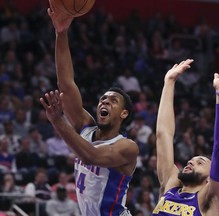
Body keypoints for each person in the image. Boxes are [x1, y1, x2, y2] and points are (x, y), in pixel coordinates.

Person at [41, 1, 139, 215]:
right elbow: (66, 84)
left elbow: (91, 156)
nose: (104, 102)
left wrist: (59, 122)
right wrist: (61, 33)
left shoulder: (127, 147)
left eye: (113, 101)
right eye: (103, 99)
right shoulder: (85, 127)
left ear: (124, 113)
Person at [152, 59, 219, 215]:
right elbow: (163, 134)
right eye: (191, 160)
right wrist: (169, 82)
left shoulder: (210, 199)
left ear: (210, 178)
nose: (191, 162)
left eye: (200, 162)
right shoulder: (171, 185)